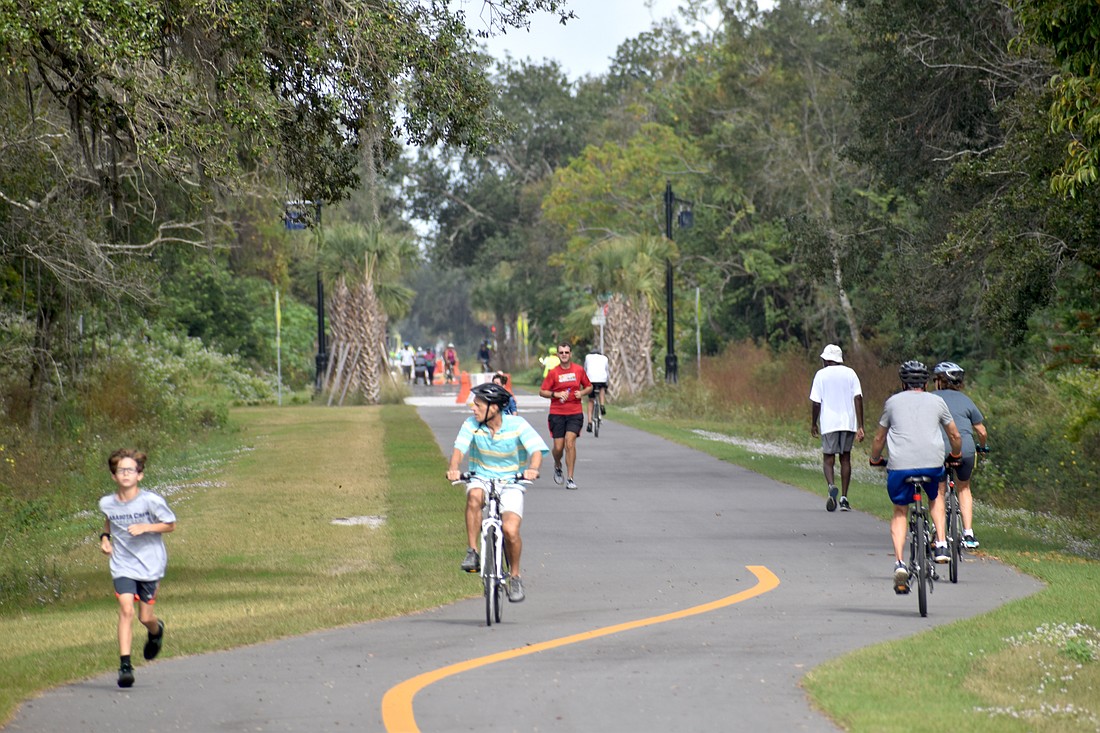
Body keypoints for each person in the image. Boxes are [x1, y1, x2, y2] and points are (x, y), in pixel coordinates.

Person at [447, 382, 548, 603]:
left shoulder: (517, 424)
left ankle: (515, 577)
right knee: (474, 496)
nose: (473, 409)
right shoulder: (471, 424)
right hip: (481, 477)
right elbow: (459, 451)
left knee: (510, 530)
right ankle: (473, 551)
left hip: (511, 481)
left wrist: (532, 469)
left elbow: (536, 451)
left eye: (478, 405)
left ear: (494, 407)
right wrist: (454, 468)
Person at [869, 361, 962, 594]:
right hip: (932, 465)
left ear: (903, 383)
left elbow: (879, 438)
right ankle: (942, 543)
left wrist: (875, 458)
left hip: (900, 467)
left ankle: (900, 563)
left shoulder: (892, 403)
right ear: (926, 383)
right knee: (936, 495)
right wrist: (956, 454)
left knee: (900, 510)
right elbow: (954, 435)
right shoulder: (937, 402)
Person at [98, 449, 176, 688]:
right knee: (126, 609)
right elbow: (110, 520)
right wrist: (105, 538)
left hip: (150, 564)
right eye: (121, 470)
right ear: (114, 476)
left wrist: (146, 527)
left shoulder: (151, 501)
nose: (125, 474)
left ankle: (156, 631)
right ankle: (125, 666)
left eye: (130, 470)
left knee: (145, 617)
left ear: (139, 475)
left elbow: (170, 524)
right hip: (122, 564)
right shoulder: (107, 503)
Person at [932, 361, 989, 549]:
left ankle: (938, 532)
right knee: (964, 487)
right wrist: (982, 447)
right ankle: (968, 534)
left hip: (938, 450)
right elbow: (981, 431)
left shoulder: (930, 398)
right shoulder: (966, 400)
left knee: (939, 490)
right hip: (965, 449)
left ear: (940, 381)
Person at [809, 344, 865, 511]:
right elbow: (858, 398)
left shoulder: (821, 375)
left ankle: (831, 486)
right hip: (848, 423)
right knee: (845, 459)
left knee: (828, 459)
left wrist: (814, 423)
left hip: (829, 423)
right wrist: (861, 425)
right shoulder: (850, 373)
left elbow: (816, 402)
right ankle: (844, 498)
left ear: (827, 360)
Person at [539, 342, 591, 490]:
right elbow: (542, 391)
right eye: (561, 352)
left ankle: (570, 478)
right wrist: (556, 394)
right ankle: (557, 465)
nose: (564, 355)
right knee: (558, 448)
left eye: (566, 352)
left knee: (570, 443)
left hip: (575, 412)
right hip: (557, 413)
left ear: (570, 354)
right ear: (558, 354)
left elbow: (589, 386)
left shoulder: (578, 370)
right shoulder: (553, 372)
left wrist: (582, 393)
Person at [583, 348, 610, 433]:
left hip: (590, 379)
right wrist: (607, 381)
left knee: (591, 400)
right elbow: (607, 371)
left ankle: (589, 423)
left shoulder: (588, 357)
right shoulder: (604, 358)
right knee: (602, 388)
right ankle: (602, 405)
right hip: (602, 379)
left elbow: (585, 369)